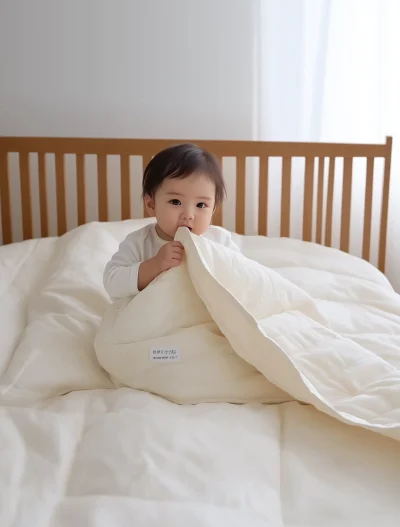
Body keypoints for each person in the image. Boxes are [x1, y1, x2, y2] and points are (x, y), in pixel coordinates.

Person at [103, 143, 240, 300]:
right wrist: (155, 265)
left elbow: (241, 274)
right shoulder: (140, 243)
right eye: (175, 202)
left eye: (200, 205)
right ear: (151, 204)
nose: (188, 215)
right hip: (156, 317)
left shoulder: (219, 241)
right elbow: (111, 282)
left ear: (213, 209)